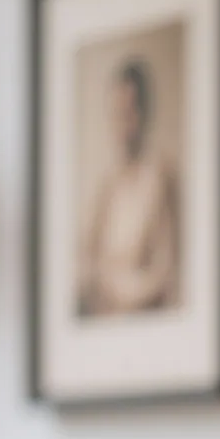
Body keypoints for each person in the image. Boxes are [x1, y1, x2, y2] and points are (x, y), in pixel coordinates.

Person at [78, 55, 180, 317]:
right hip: (104, 321)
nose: (123, 124)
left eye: (129, 112)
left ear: (144, 113)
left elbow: (165, 273)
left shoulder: (160, 177)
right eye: (116, 113)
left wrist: (118, 292)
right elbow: (86, 259)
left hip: (143, 319)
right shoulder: (106, 184)